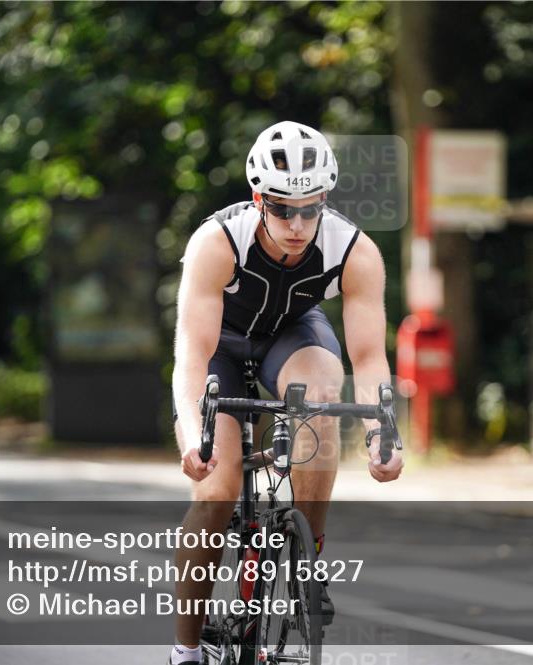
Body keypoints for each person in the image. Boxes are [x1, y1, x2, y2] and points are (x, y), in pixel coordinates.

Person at [169, 120, 403, 665]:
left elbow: (369, 358)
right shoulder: (217, 242)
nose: (297, 225)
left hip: (292, 337)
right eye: (281, 210)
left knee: (320, 392)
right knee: (216, 492)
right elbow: (192, 356)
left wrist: (382, 434)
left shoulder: (355, 250)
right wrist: (194, 433)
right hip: (220, 349)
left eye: (310, 208)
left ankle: (307, 558)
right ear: (259, 200)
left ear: (325, 200)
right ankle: (185, 648)